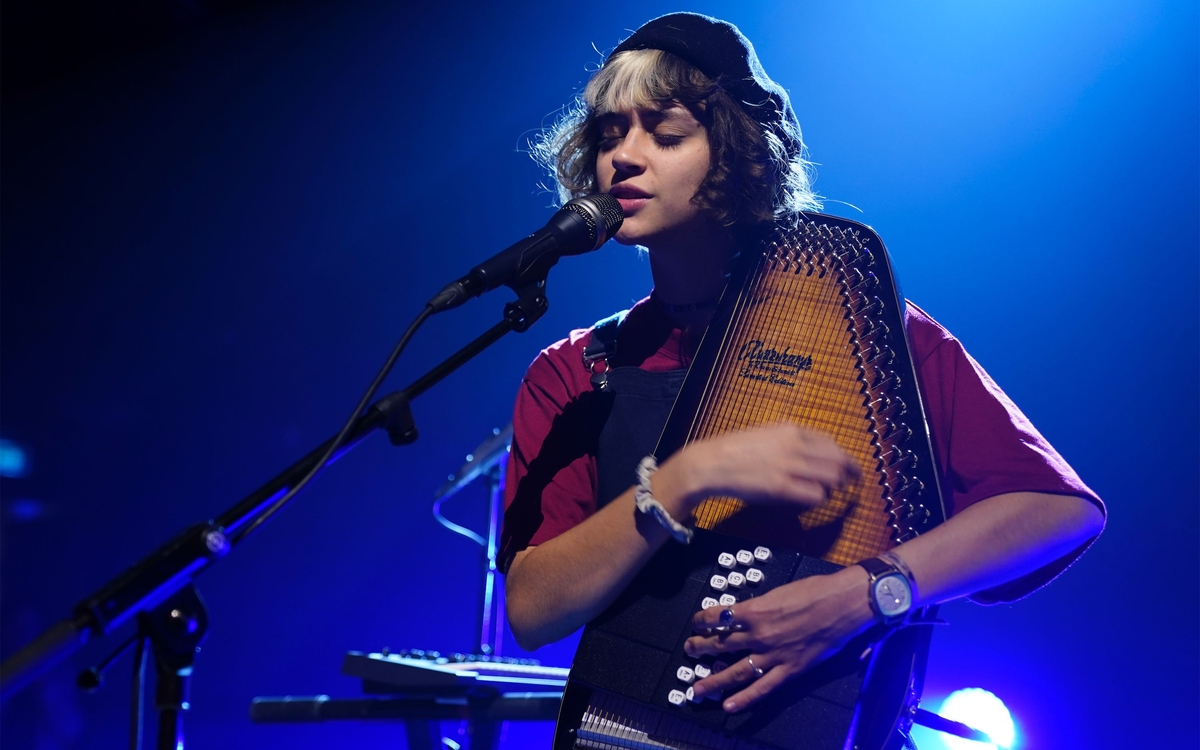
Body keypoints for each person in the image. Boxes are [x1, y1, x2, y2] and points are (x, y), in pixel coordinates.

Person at [499, 11, 1105, 723]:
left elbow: (1059, 512)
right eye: (609, 134)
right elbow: (533, 611)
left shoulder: (873, 335)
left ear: (737, 153)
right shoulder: (577, 372)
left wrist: (865, 594)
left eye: (665, 134)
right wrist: (682, 481)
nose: (623, 158)